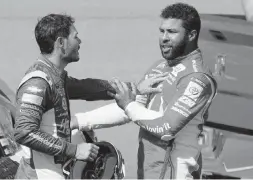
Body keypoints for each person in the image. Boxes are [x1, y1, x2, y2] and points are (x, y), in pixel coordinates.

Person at [71, 3, 217, 179]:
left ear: (191, 35)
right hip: (149, 170)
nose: (164, 38)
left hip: (175, 173)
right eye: (161, 31)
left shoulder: (197, 78)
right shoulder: (161, 67)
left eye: (171, 32)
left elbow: (167, 128)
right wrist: (79, 121)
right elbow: (129, 109)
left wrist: (129, 105)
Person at [13, 14, 163, 179]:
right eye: (75, 37)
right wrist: (74, 150)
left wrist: (134, 88)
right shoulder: (38, 82)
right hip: (37, 174)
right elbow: (24, 132)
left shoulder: (53, 75)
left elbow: (86, 87)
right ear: (61, 43)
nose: (80, 42)